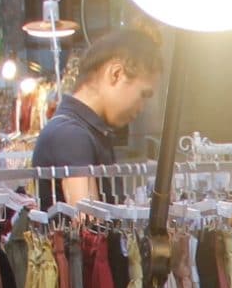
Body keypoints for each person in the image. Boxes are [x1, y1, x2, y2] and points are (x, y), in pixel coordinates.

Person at [31, 27, 162, 204]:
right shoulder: (71, 136)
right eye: (143, 95)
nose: (142, 107)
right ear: (116, 74)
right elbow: (89, 225)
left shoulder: (89, 131)